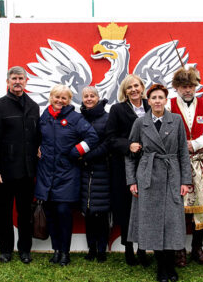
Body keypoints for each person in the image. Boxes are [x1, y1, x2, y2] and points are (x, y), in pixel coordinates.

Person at [126, 84, 191, 282]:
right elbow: (130, 155)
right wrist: (132, 181)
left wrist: (185, 180)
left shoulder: (177, 120)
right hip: (147, 176)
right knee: (151, 222)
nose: (157, 101)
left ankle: (171, 266)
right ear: (149, 100)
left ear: (166, 100)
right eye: (153, 97)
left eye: (160, 97)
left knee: (172, 222)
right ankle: (161, 268)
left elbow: (183, 152)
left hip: (172, 176)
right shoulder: (140, 122)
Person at [35, 84, 98, 266]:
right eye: (57, 97)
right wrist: (36, 148)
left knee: (63, 213)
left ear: (69, 100)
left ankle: (65, 252)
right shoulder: (44, 117)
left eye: (64, 98)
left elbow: (92, 137)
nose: (60, 101)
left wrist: (77, 151)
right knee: (51, 214)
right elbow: (36, 137)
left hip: (67, 175)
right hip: (46, 173)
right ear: (51, 98)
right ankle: (56, 250)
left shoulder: (75, 118)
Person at [0, 66, 40, 264]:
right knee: (4, 212)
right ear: (8, 82)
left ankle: (25, 250)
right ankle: (6, 250)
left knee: (25, 213)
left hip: (27, 171)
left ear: (26, 81)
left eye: (21, 78)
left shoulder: (34, 107)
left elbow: (36, 137)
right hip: (5, 172)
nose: (17, 82)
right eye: (14, 78)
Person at [170, 67, 203, 266]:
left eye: (190, 86)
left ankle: (197, 248)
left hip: (201, 164)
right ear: (176, 88)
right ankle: (179, 250)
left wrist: (196, 143)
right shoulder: (168, 105)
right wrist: (181, 145)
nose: (187, 90)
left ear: (195, 86)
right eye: (183, 87)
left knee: (202, 207)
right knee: (178, 209)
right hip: (176, 166)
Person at [106, 74, 150, 266]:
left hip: (150, 165)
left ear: (142, 87)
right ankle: (129, 249)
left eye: (136, 86)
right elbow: (110, 138)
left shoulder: (152, 106)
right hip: (124, 165)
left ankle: (143, 249)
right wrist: (128, 145)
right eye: (129, 87)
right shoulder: (117, 109)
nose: (133, 90)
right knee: (127, 209)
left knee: (146, 208)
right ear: (124, 92)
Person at [80, 86, 110, 262]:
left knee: (102, 213)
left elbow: (108, 143)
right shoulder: (78, 118)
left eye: (92, 96)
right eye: (86, 96)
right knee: (88, 212)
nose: (89, 99)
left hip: (102, 169)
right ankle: (91, 249)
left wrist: (89, 156)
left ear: (98, 98)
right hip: (84, 170)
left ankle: (102, 250)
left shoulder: (107, 118)